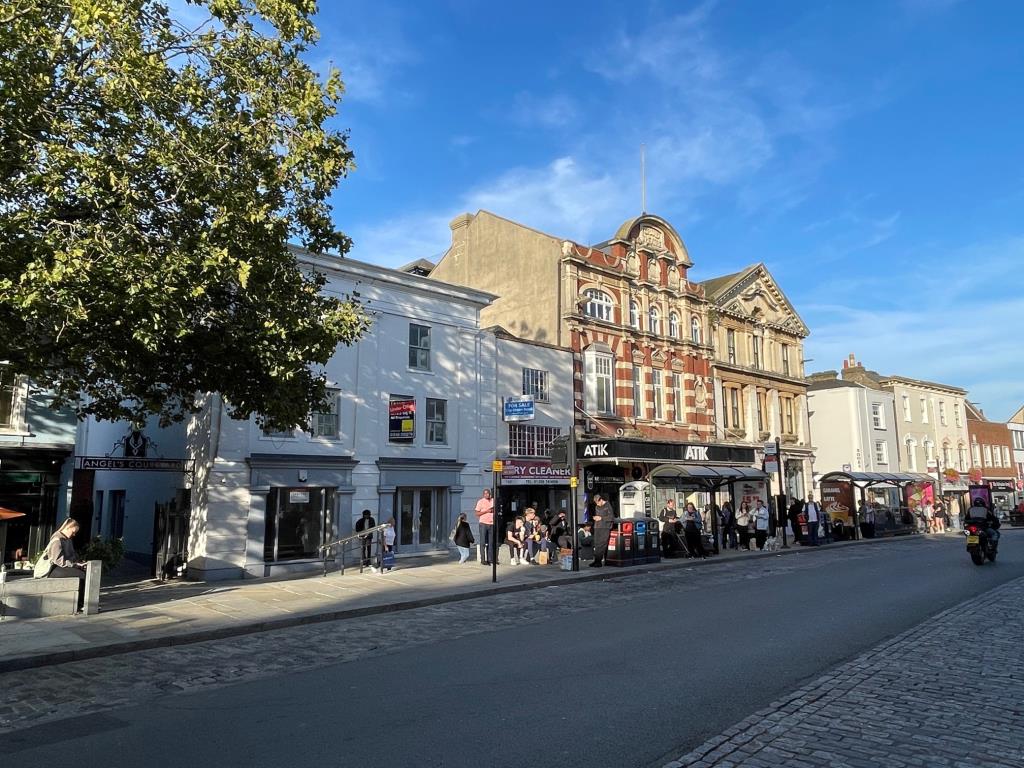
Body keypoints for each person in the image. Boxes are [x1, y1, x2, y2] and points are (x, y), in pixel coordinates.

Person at [40, 518, 87, 610]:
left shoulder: (68, 540)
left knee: (84, 572)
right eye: (73, 532)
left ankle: (82, 602)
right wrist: (75, 565)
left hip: (63, 567)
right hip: (54, 569)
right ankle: (80, 604)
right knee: (81, 575)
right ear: (68, 528)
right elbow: (58, 560)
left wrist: (79, 562)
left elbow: (72, 556)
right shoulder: (57, 539)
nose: (74, 534)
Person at [589, 493, 617, 567]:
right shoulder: (596, 507)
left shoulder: (608, 506)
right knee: (597, 544)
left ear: (601, 500)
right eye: (596, 503)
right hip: (597, 527)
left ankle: (598, 561)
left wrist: (601, 518)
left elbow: (611, 518)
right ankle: (596, 560)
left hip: (605, 527)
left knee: (602, 544)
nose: (597, 504)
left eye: (598, 502)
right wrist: (595, 518)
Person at [474, 488, 495, 566]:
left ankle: (490, 559)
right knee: (483, 542)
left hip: (491, 523)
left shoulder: (493, 500)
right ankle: (483, 559)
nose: (487, 495)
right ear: (483, 494)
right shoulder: (481, 501)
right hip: (483, 523)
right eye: (485, 493)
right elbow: (477, 513)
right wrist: (486, 511)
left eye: (488, 493)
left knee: (491, 542)